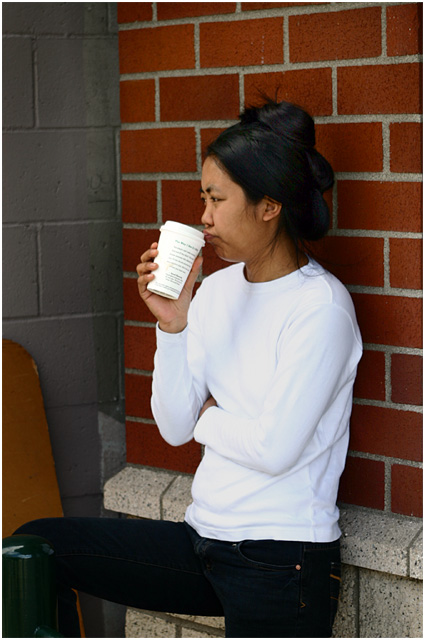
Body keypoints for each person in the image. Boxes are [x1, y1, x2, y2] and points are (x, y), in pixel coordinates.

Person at [14, 99, 362, 638]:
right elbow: (175, 426)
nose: (204, 216)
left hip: (282, 560)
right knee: (35, 546)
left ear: (269, 206)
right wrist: (172, 325)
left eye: (217, 199)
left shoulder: (321, 309)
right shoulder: (215, 291)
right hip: (202, 540)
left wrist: (209, 418)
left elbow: (274, 449)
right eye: (204, 197)